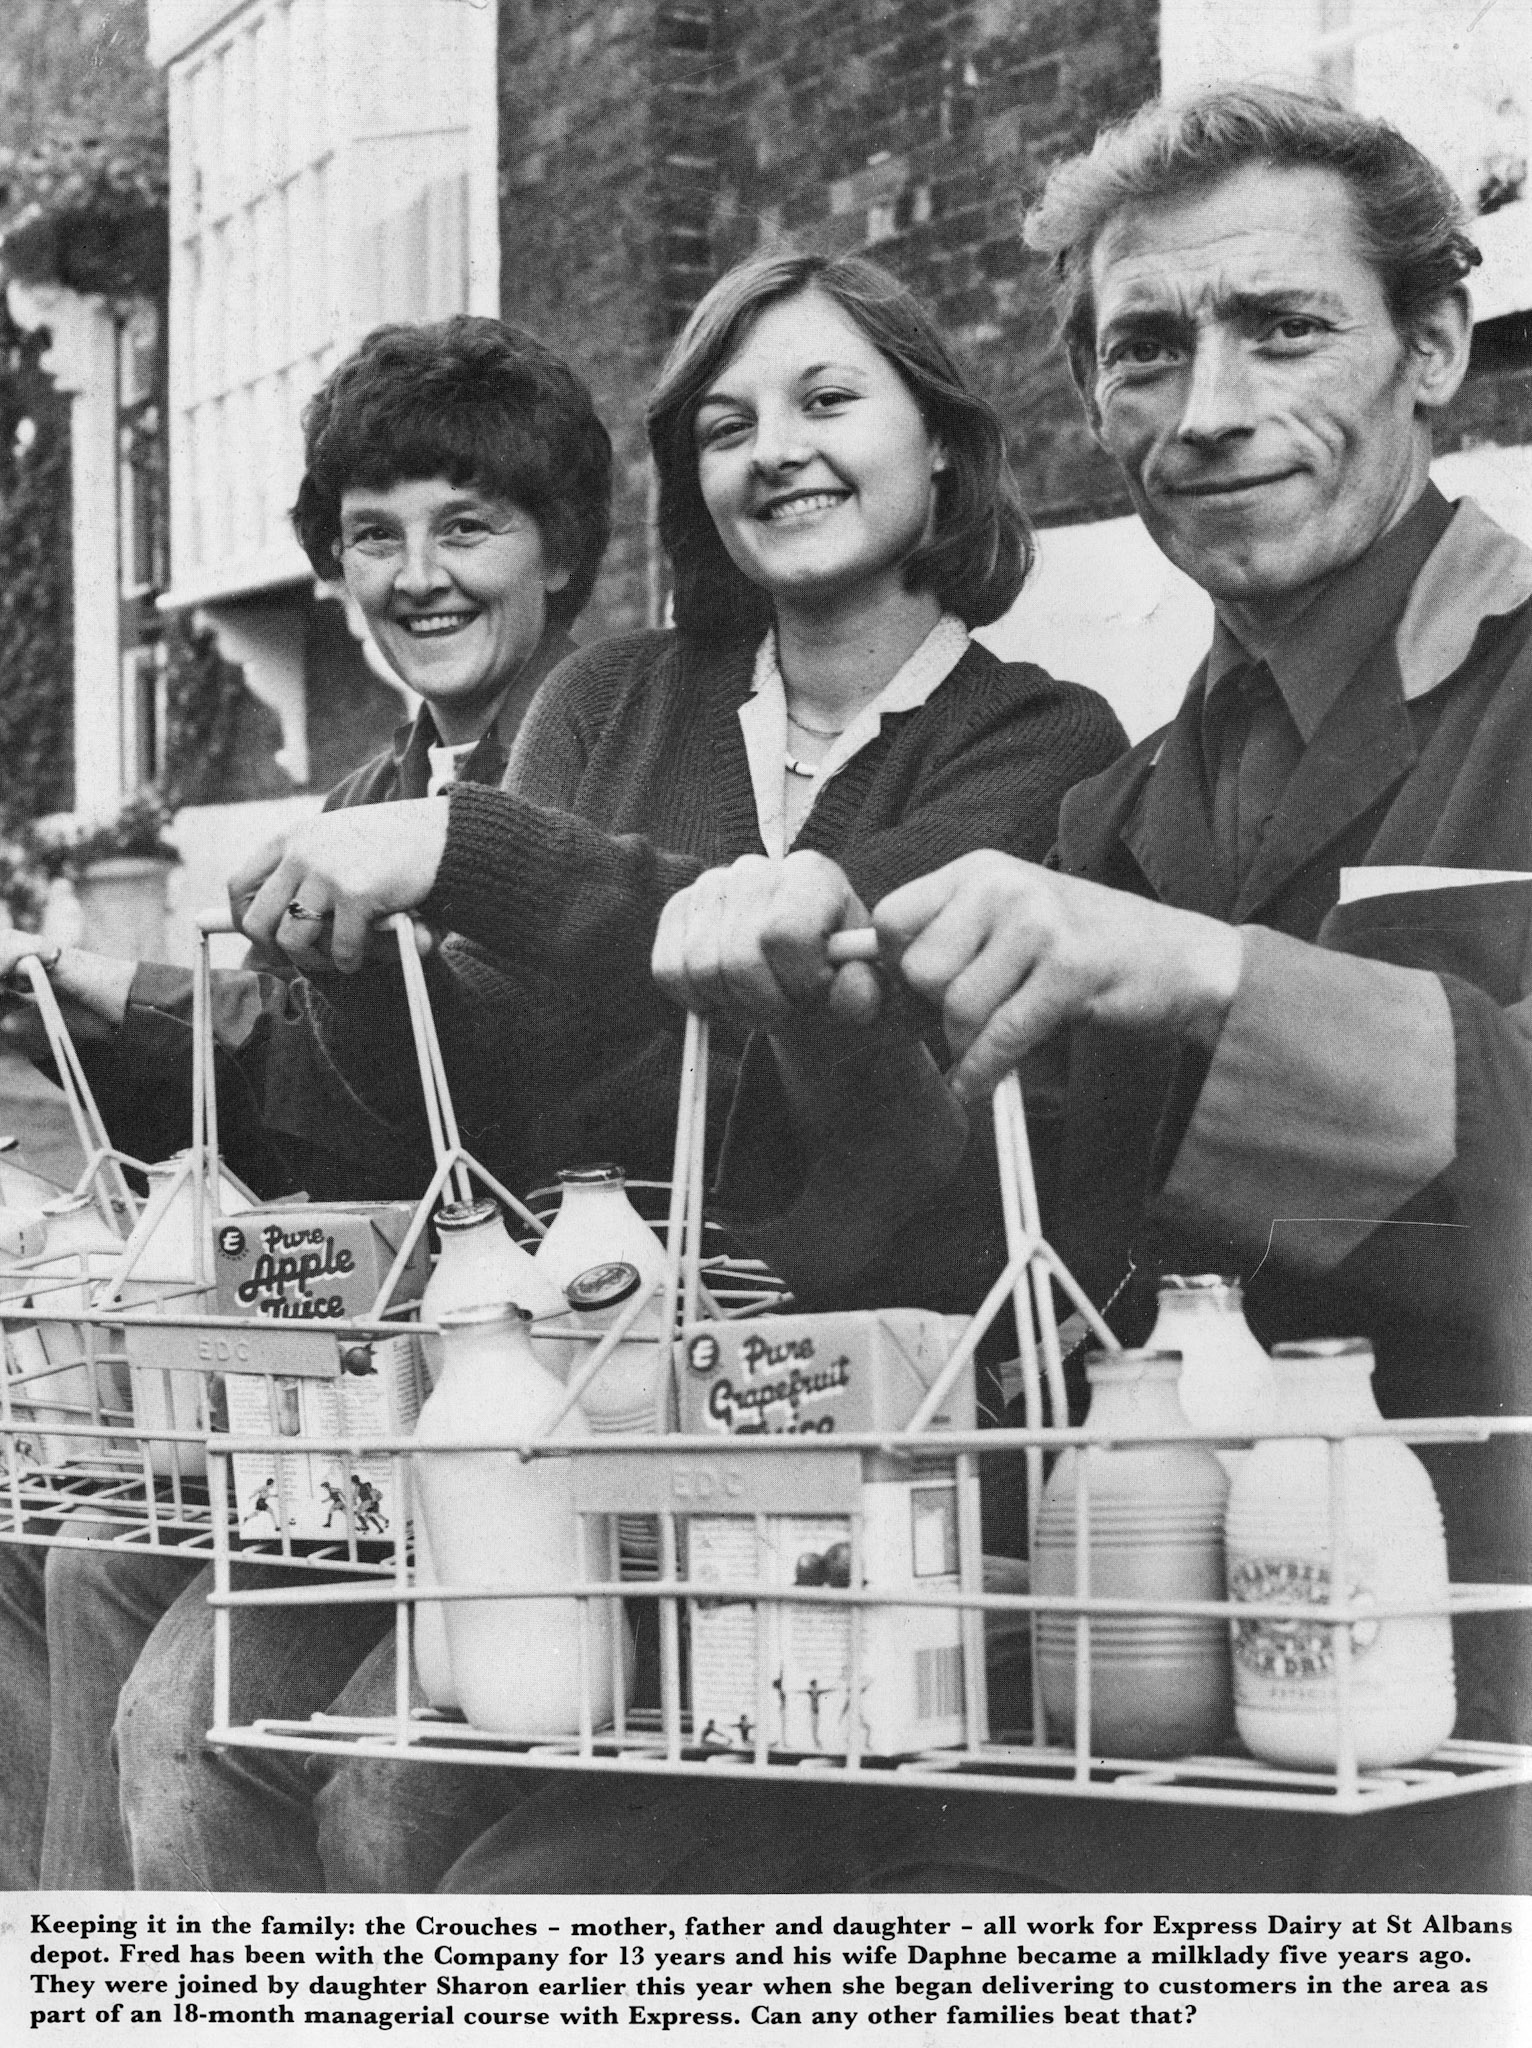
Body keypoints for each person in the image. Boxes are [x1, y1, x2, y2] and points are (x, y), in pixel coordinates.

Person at [437, 83, 1532, 1895]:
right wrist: (817, 1006)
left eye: (1282, 330)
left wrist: (1208, 978)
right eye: (1146, 351)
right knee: (525, 1892)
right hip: (1135, 1653)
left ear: (1434, 349)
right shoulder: (1139, 796)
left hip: (1462, 1703)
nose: (1212, 409)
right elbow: (949, 1244)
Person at [104, 249, 1125, 1893]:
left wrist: (476, 854)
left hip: (847, 1454)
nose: (773, 450)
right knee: (204, 1720)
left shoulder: (1048, 745)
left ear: (942, 443)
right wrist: (362, 978)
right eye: (725, 425)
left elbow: (839, 982)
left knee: (395, 1808)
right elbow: (499, 1095)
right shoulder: (611, 695)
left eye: (826, 400)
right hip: (567, 1422)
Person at [0, 312, 613, 1890]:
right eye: (372, 538)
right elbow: (297, 1135)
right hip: (366, 1408)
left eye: (468, 527)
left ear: (564, 552)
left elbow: (473, 1083)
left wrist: (174, 1014)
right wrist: (108, 1031)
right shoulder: (359, 796)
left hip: (554, 1409)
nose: (419, 576)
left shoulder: (615, 761)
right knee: (73, 1552)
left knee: (189, 1717)